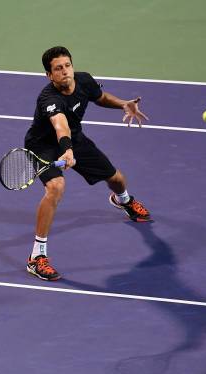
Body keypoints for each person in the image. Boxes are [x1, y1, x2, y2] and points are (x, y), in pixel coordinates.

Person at [24, 46, 151, 281]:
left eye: (67, 66)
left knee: (117, 179)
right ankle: (37, 257)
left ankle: (123, 201)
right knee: (55, 188)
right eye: (58, 69)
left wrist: (123, 104)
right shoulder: (48, 99)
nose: (65, 72)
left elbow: (100, 97)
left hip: (75, 139)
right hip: (43, 145)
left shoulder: (83, 80)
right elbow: (60, 126)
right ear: (49, 75)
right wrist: (67, 150)